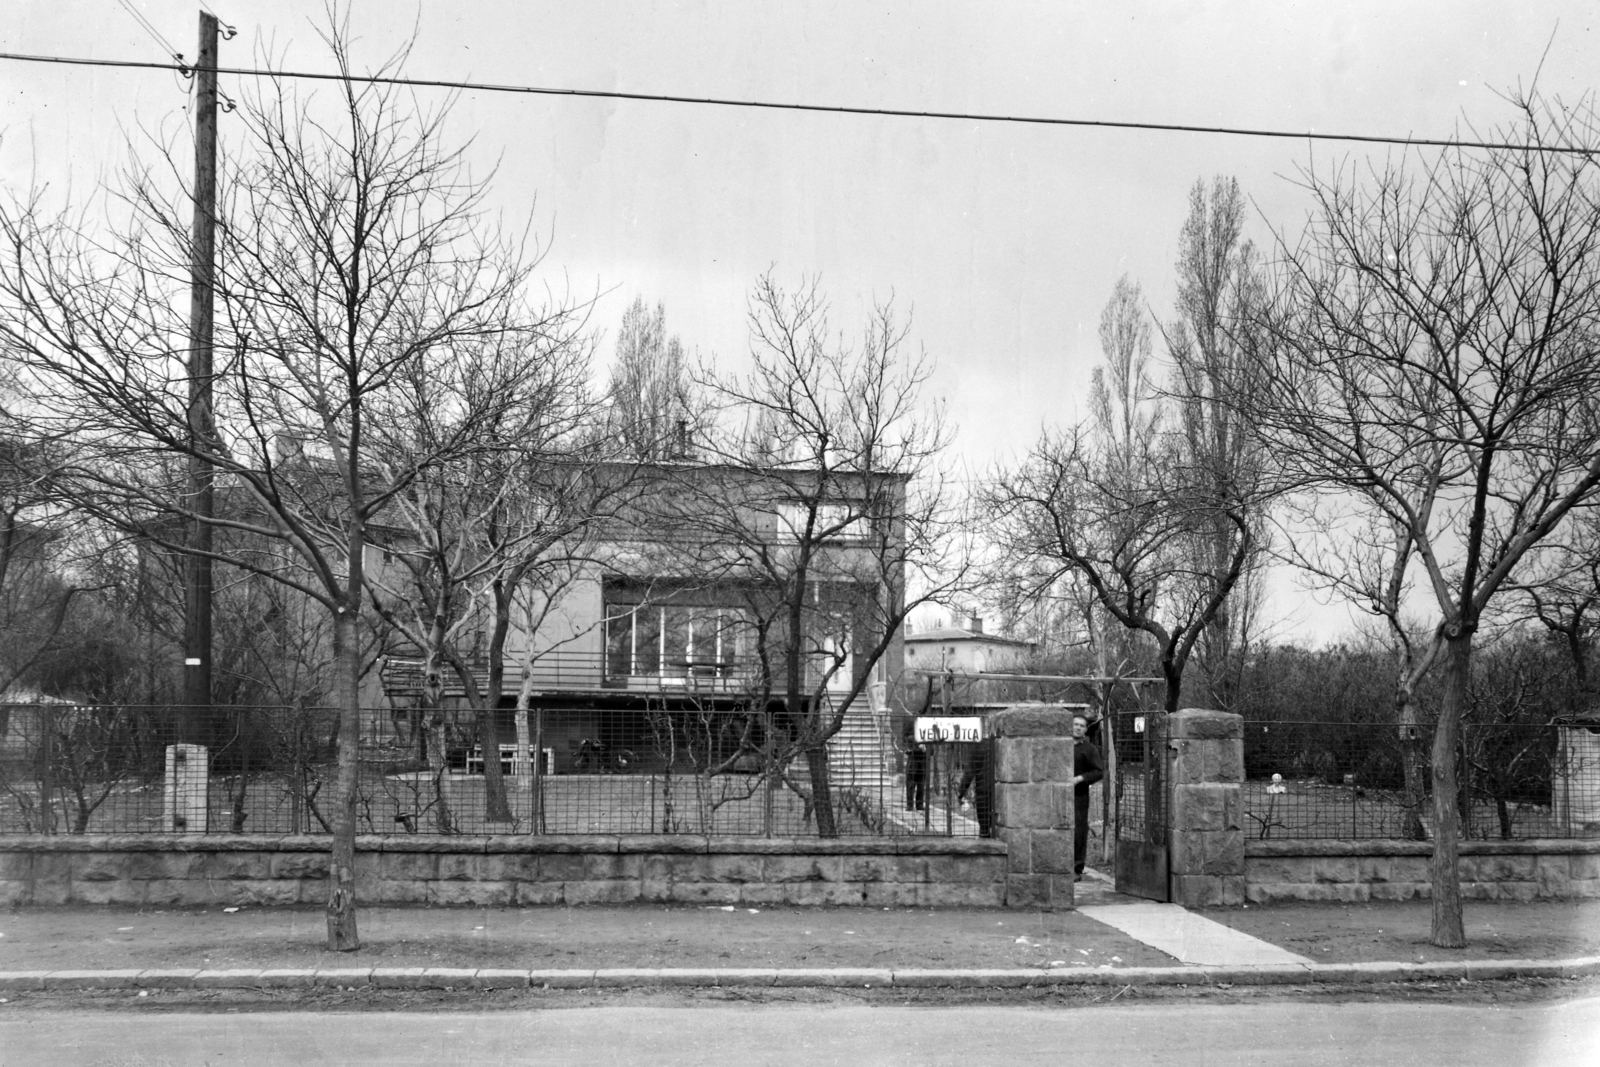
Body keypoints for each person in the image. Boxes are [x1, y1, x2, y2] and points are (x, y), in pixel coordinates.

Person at [1070, 712, 1106, 880]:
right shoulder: (1060, 745)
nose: (1078, 727)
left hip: (1079, 796)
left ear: (1086, 730)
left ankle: (1076, 869)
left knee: (1078, 831)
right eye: (1075, 724)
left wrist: (1080, 779)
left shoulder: (1089, 749)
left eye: (1082, 725)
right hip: (1057, 796)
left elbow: (1099, 772)